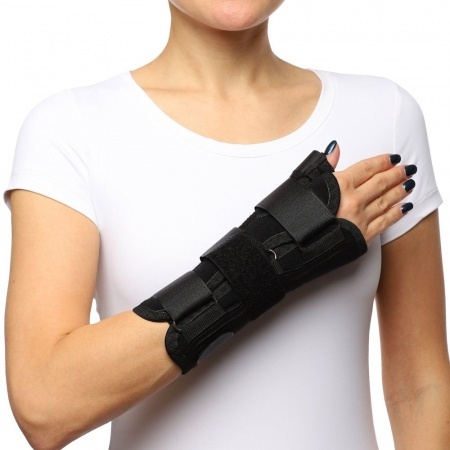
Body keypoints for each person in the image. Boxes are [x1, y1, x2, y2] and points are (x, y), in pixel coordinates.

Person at [3, 1, 449, 449]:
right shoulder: (71, 129)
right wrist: (273, 252)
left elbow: (419, 385)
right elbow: (45, 407)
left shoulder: (384, 114)